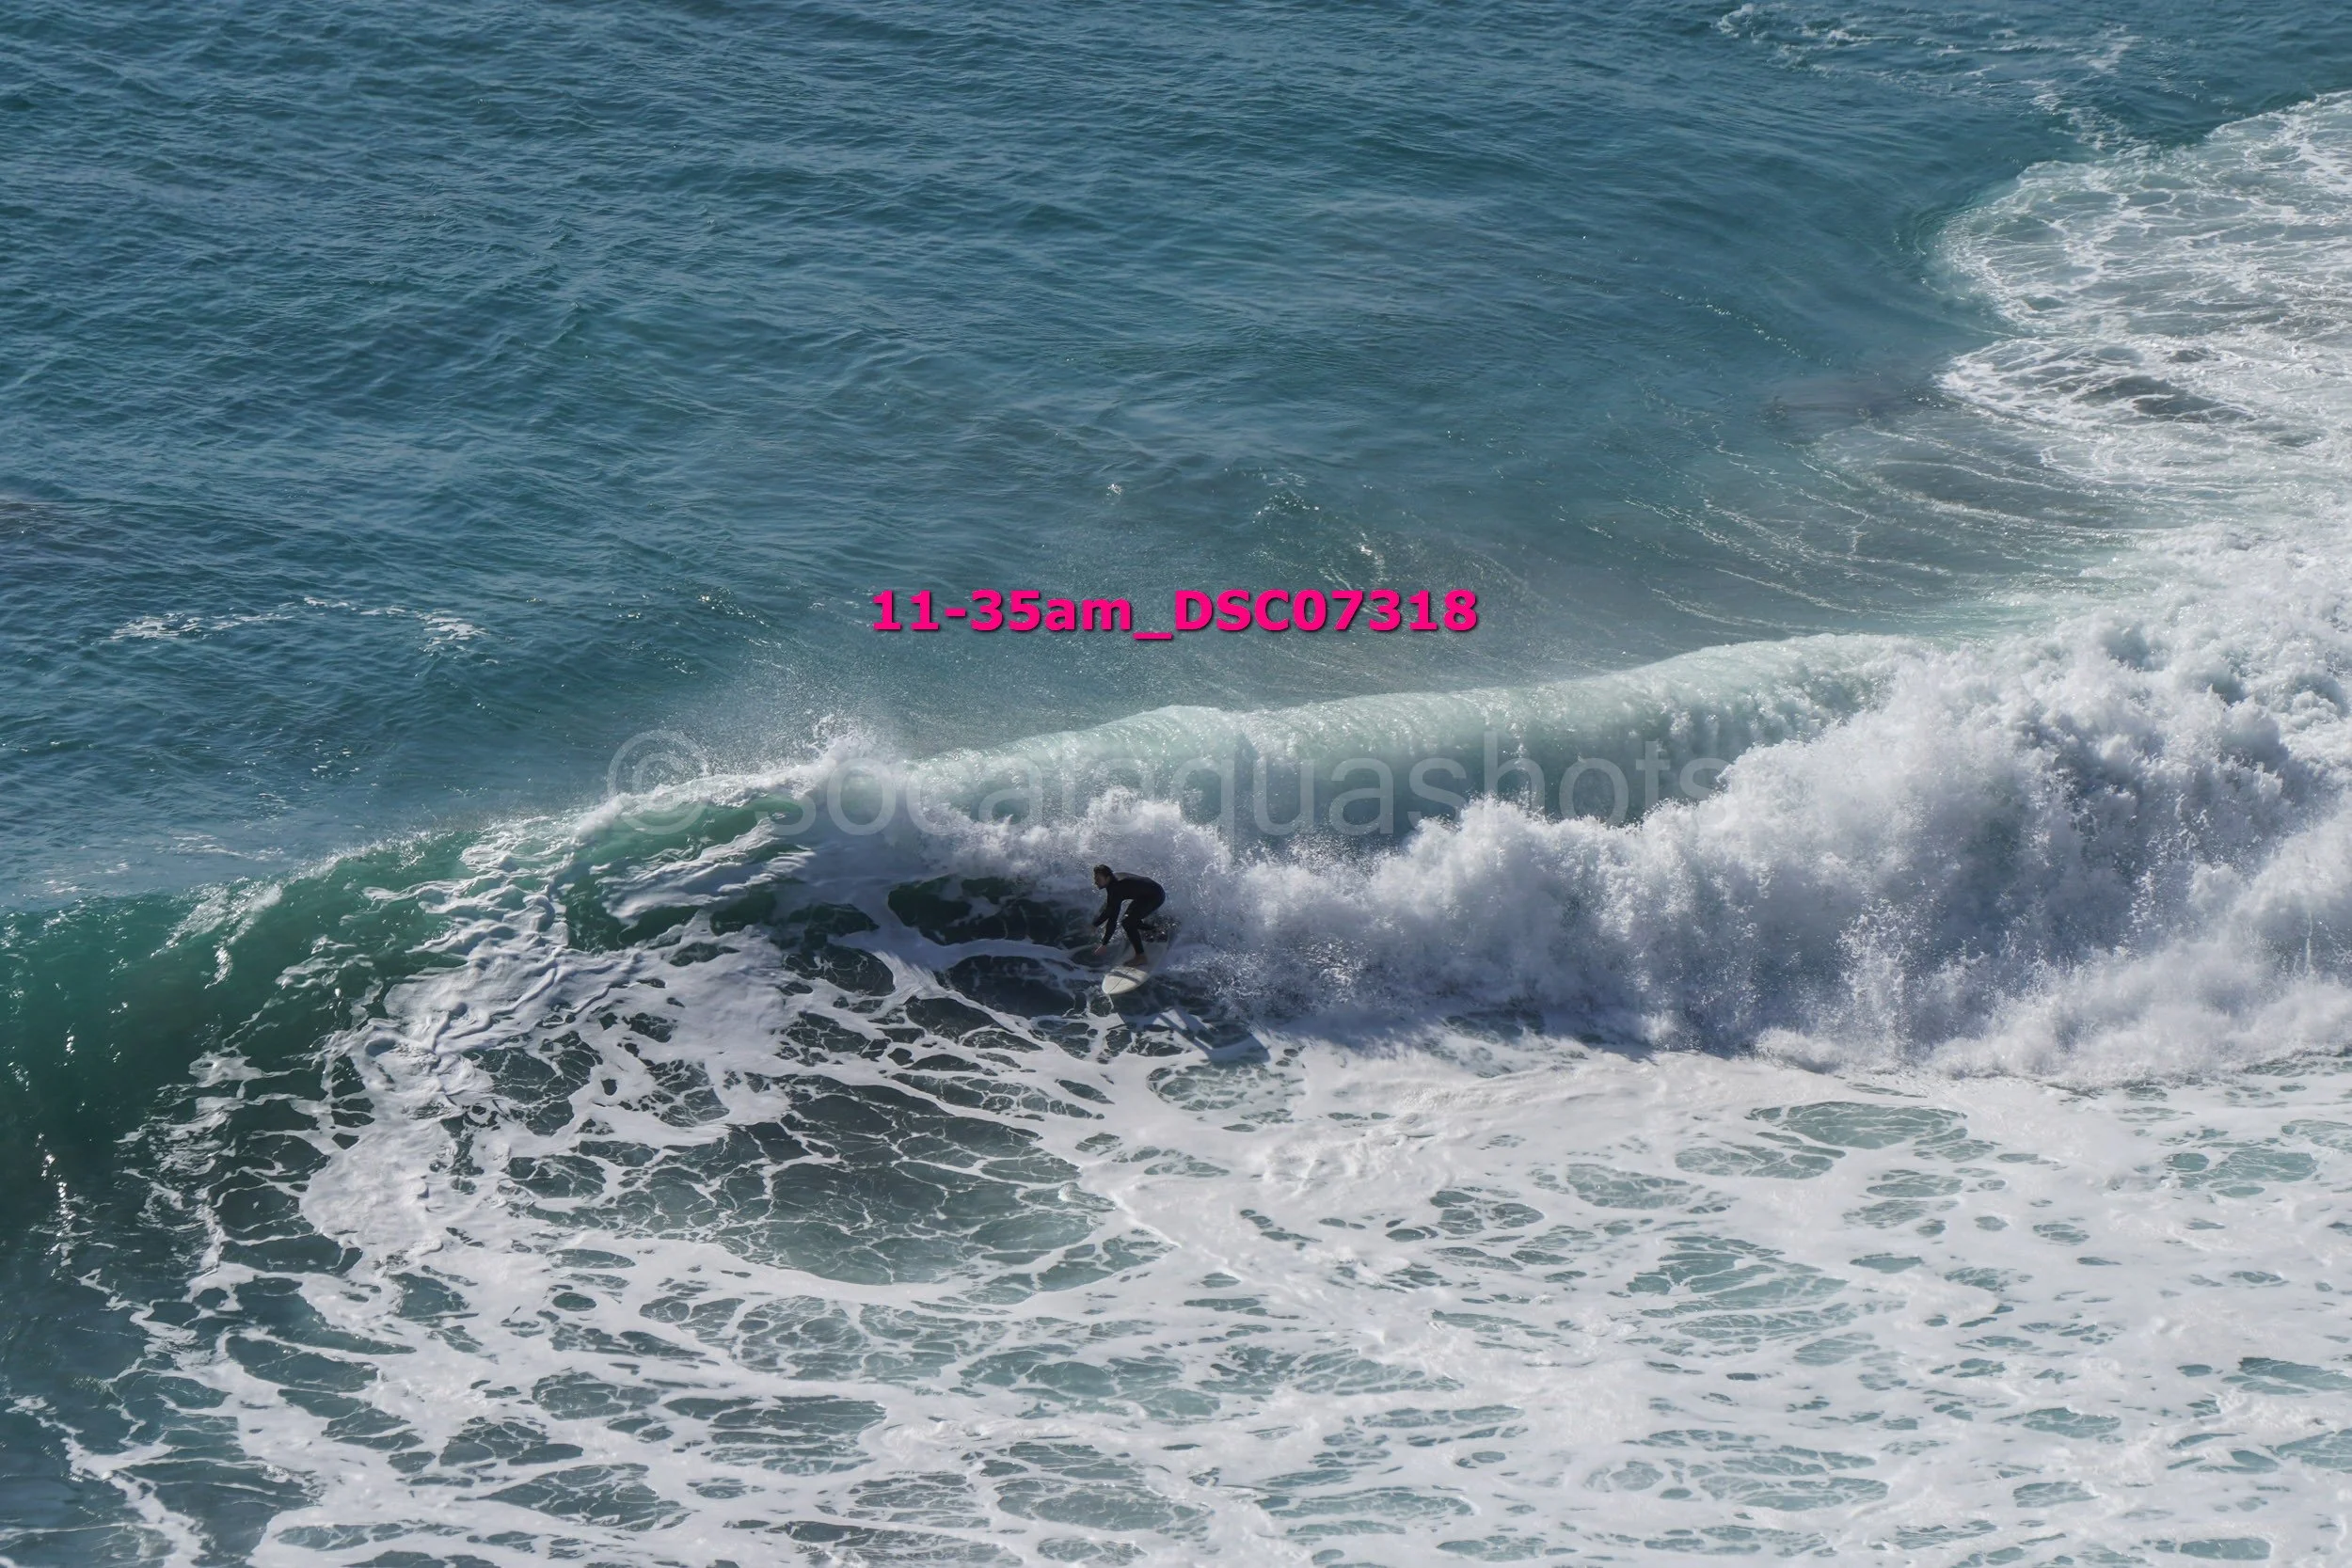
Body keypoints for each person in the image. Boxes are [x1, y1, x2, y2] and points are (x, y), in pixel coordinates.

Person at [1089, 864, 1165, 967]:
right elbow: (1109, 910)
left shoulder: (1116, 888)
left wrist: (1104, 944)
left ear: (1107, 878)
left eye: (1098, 879)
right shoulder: (1113, 880)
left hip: (1155, 896)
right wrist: (1095, 925)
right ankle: (1155, 930)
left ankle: (1141, 957)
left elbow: (1112, 918)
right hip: (1147, 894)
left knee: (1128, 923)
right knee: (1128, 919)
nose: (1095, 882)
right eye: (1095, 879)